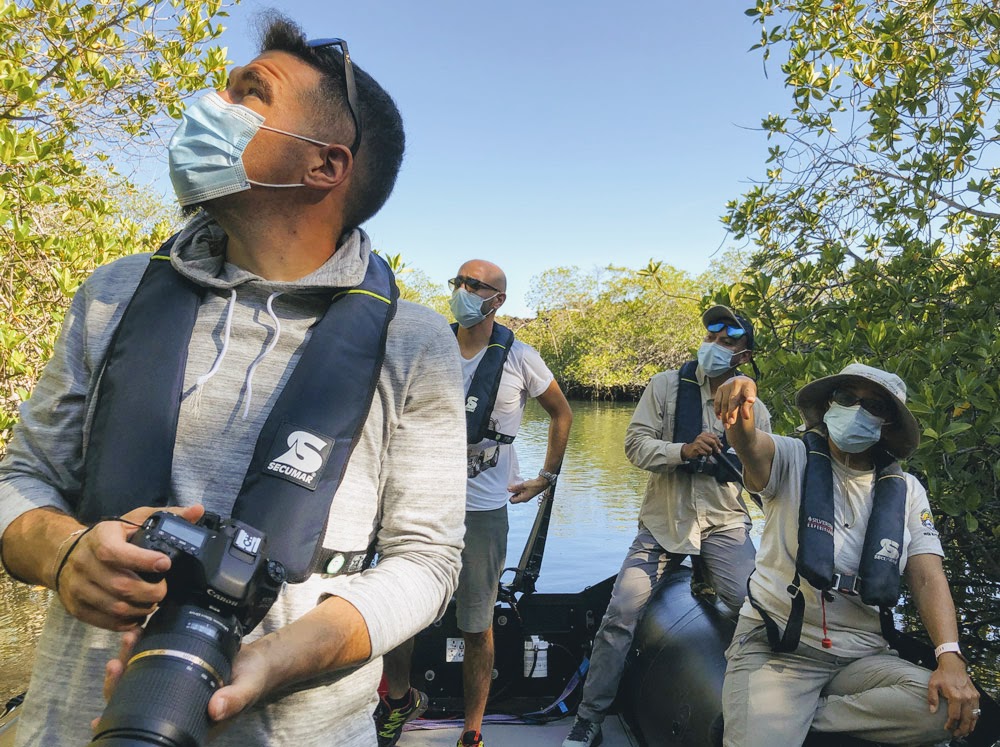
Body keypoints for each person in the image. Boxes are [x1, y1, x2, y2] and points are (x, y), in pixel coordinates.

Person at [0, 17, 467, 747]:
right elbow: (21, 477)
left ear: (325, 165)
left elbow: (428, 562)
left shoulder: (415, 341)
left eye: (249, 94)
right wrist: (62, 551)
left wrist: (279, 658)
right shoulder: (112, 293)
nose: (207, 105)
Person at [714, 363, 980, 746]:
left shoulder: (907, 490)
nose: (857, 410)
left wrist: (950, 656)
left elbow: (927, 576)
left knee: (949, 711)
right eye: (846, 397)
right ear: (827, 405)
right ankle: (773, 717)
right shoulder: (792, 457)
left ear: (887, 423)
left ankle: (798, 719)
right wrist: (738, 418)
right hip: (780, 647)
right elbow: (752, 446)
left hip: (863, 656)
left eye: (875, 406)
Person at [375, 259, 573, 747]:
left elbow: (561, 414)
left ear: (496, 299)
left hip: (483, 512)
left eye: (474, 285)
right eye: (458, 282)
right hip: (420, 502)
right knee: (400, 610)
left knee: (476, 626)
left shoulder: (520, 357)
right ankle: (398, 701)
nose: (462, 290)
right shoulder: (430, 346)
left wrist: (545, 478)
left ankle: (472, 730)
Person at [563, 305, 771, 747]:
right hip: (664, 524)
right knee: (620, 612)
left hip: (724, 524)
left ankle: (765, 712)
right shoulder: (664, 386)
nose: (715, 343)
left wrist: (741, 449)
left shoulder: (755, 408)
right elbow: (636, 446)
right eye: (711, 333)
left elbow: (762, 479)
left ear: (743, 354)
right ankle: (589, 717)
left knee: (756, 608)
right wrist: (685, 450)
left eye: (728, 338)